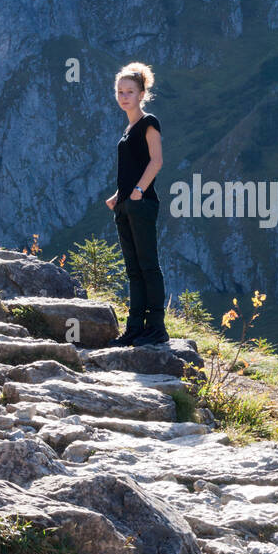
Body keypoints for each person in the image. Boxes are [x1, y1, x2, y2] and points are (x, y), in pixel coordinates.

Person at [105, 62, 169, 345]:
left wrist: (138, 191)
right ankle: (134, 328)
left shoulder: (148, 122)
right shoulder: (128, 128)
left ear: (142, 93)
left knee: (148, 266)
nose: (124, 96)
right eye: (120, 91)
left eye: (130, 91)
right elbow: (133, 166)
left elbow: (156, 161)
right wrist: (120, 195)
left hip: (142, 204)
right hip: (125, 205)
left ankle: (155, 328)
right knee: (133, 268)